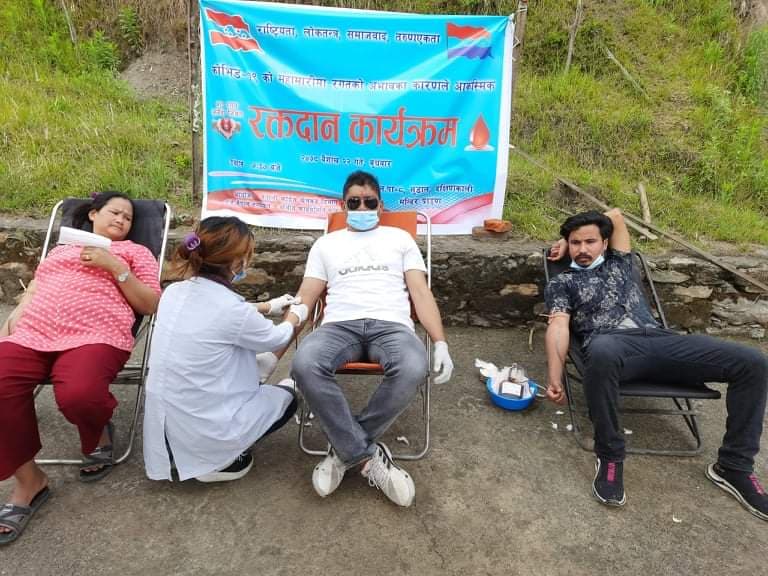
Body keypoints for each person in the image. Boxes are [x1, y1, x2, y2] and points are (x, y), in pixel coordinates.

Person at [544, 208, 768, 520]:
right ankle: (610, 456)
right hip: (611, 345)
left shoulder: (620, 261)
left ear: (605, 242)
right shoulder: (563, 282)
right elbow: (557, 325)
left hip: (661, 340)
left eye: (589, 241)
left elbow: (616, 215)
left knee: (753, 362)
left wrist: (566, 237)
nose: (582, 249)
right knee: (603, 350)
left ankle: (734, 467)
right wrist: (554, 376)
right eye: (576, 243)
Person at [0, 191, 161, 545]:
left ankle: (97, 433)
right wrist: (17, 316)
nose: (121, 220)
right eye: (114, 212)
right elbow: (36, 288)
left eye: (128, 218)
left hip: (95, 333)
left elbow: (150, 304)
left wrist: (114, 266)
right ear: (92, 214)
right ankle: (29, 482)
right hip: (36, 330)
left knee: (80, 394)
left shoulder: (135, 252)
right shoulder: (61, 251)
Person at [289, 170, 454, 507]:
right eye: (354, 202)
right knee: (304, 363)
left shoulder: (400, 239)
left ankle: (343, 449)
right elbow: (306, 297)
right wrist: (277, 344)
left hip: (391, 326)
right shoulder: (326, 244)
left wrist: (440, 342)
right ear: (343, 205)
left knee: (413, 367)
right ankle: (365, 457)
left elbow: (420, 293)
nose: (362, 208)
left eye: (369, 202)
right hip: (338, 326)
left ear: (381, 205)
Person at [142, 216, 308, 483]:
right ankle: (223, 461)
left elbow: (216, 313)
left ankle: (190, 451)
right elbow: (276, 338)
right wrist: (296, 316)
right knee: (288, 396)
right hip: (208, 429)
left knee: (241, 360)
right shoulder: (232, 310)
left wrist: (267, 307)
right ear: (236, 262)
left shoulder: (173, 292)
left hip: (168, 425)